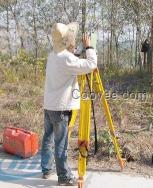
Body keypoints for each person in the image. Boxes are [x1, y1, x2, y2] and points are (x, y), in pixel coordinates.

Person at [41, 22, 97, 186]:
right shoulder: (66, 58)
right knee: (61, 143)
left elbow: (68, 62)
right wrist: (89, 47)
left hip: (49, 105)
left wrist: (73, 53)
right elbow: (90, 65)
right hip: (60, 108)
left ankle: (46, 169)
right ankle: (64, 176)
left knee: (48, 138)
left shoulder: (53, 55)